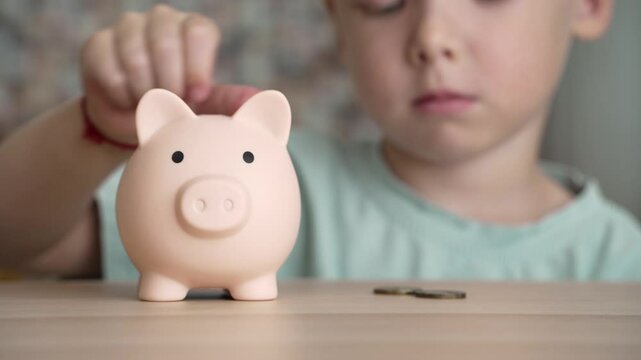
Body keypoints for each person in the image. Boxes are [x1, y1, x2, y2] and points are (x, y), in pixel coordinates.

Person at [1, 0, 640, 281]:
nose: (432, 35)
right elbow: (20, 237)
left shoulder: (619, 263)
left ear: (587, 3)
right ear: (336, 18)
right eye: (383, 2)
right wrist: (97, 129)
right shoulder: (278, 184)